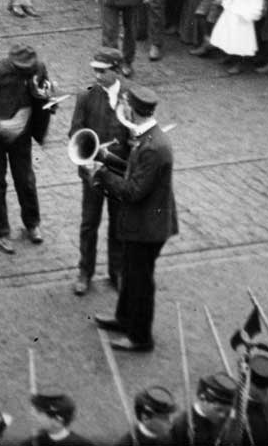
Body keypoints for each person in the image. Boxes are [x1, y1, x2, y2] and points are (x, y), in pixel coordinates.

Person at [87, 83, 175, 354]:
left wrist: (101, 174)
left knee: (139, 283)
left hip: (147, 228)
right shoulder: (148, 138)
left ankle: (140, 338)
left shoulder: (152, 147)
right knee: (131, 274)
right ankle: (123, 318)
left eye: (127, 107)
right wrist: (107, 158)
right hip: (144, 224)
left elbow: (134, 190)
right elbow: (134, 172)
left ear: (134, 112)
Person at [0, 43, 54, 255]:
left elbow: (44, 96)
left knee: (25, 180)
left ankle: (32, 223)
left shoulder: (39, 68)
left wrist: (48, 97)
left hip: (21, 135)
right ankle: (1, 232)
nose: (27, 71)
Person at [68, 48, 129, 297]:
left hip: (119, 172)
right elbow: (75, 132)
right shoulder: (86, 96)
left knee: (119, 224)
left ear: (116, 70)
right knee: (89, 223)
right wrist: (87, 162)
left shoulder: (131, 95)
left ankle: (117, 272)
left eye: (102, 71)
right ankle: (85, 271)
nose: (97, 75)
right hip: (93, 171)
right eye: (95, 70)